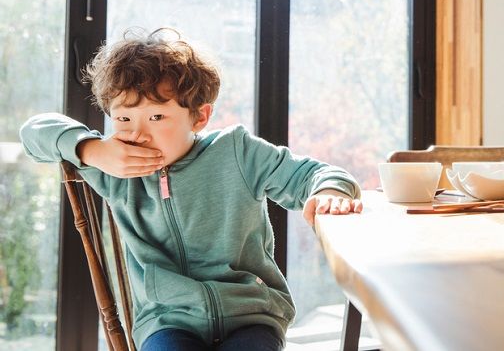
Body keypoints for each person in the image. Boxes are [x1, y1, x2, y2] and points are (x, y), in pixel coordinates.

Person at [19, 28, 363, 350]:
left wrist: (329, 191)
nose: (137, 133)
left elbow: (315, 174)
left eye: (156, 117)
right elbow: (34, 132)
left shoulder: (237, 152)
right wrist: (92, 150)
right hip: (166, 320)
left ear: (199, 117)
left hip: (251, 315)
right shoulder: (114, 167)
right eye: (123, 118)